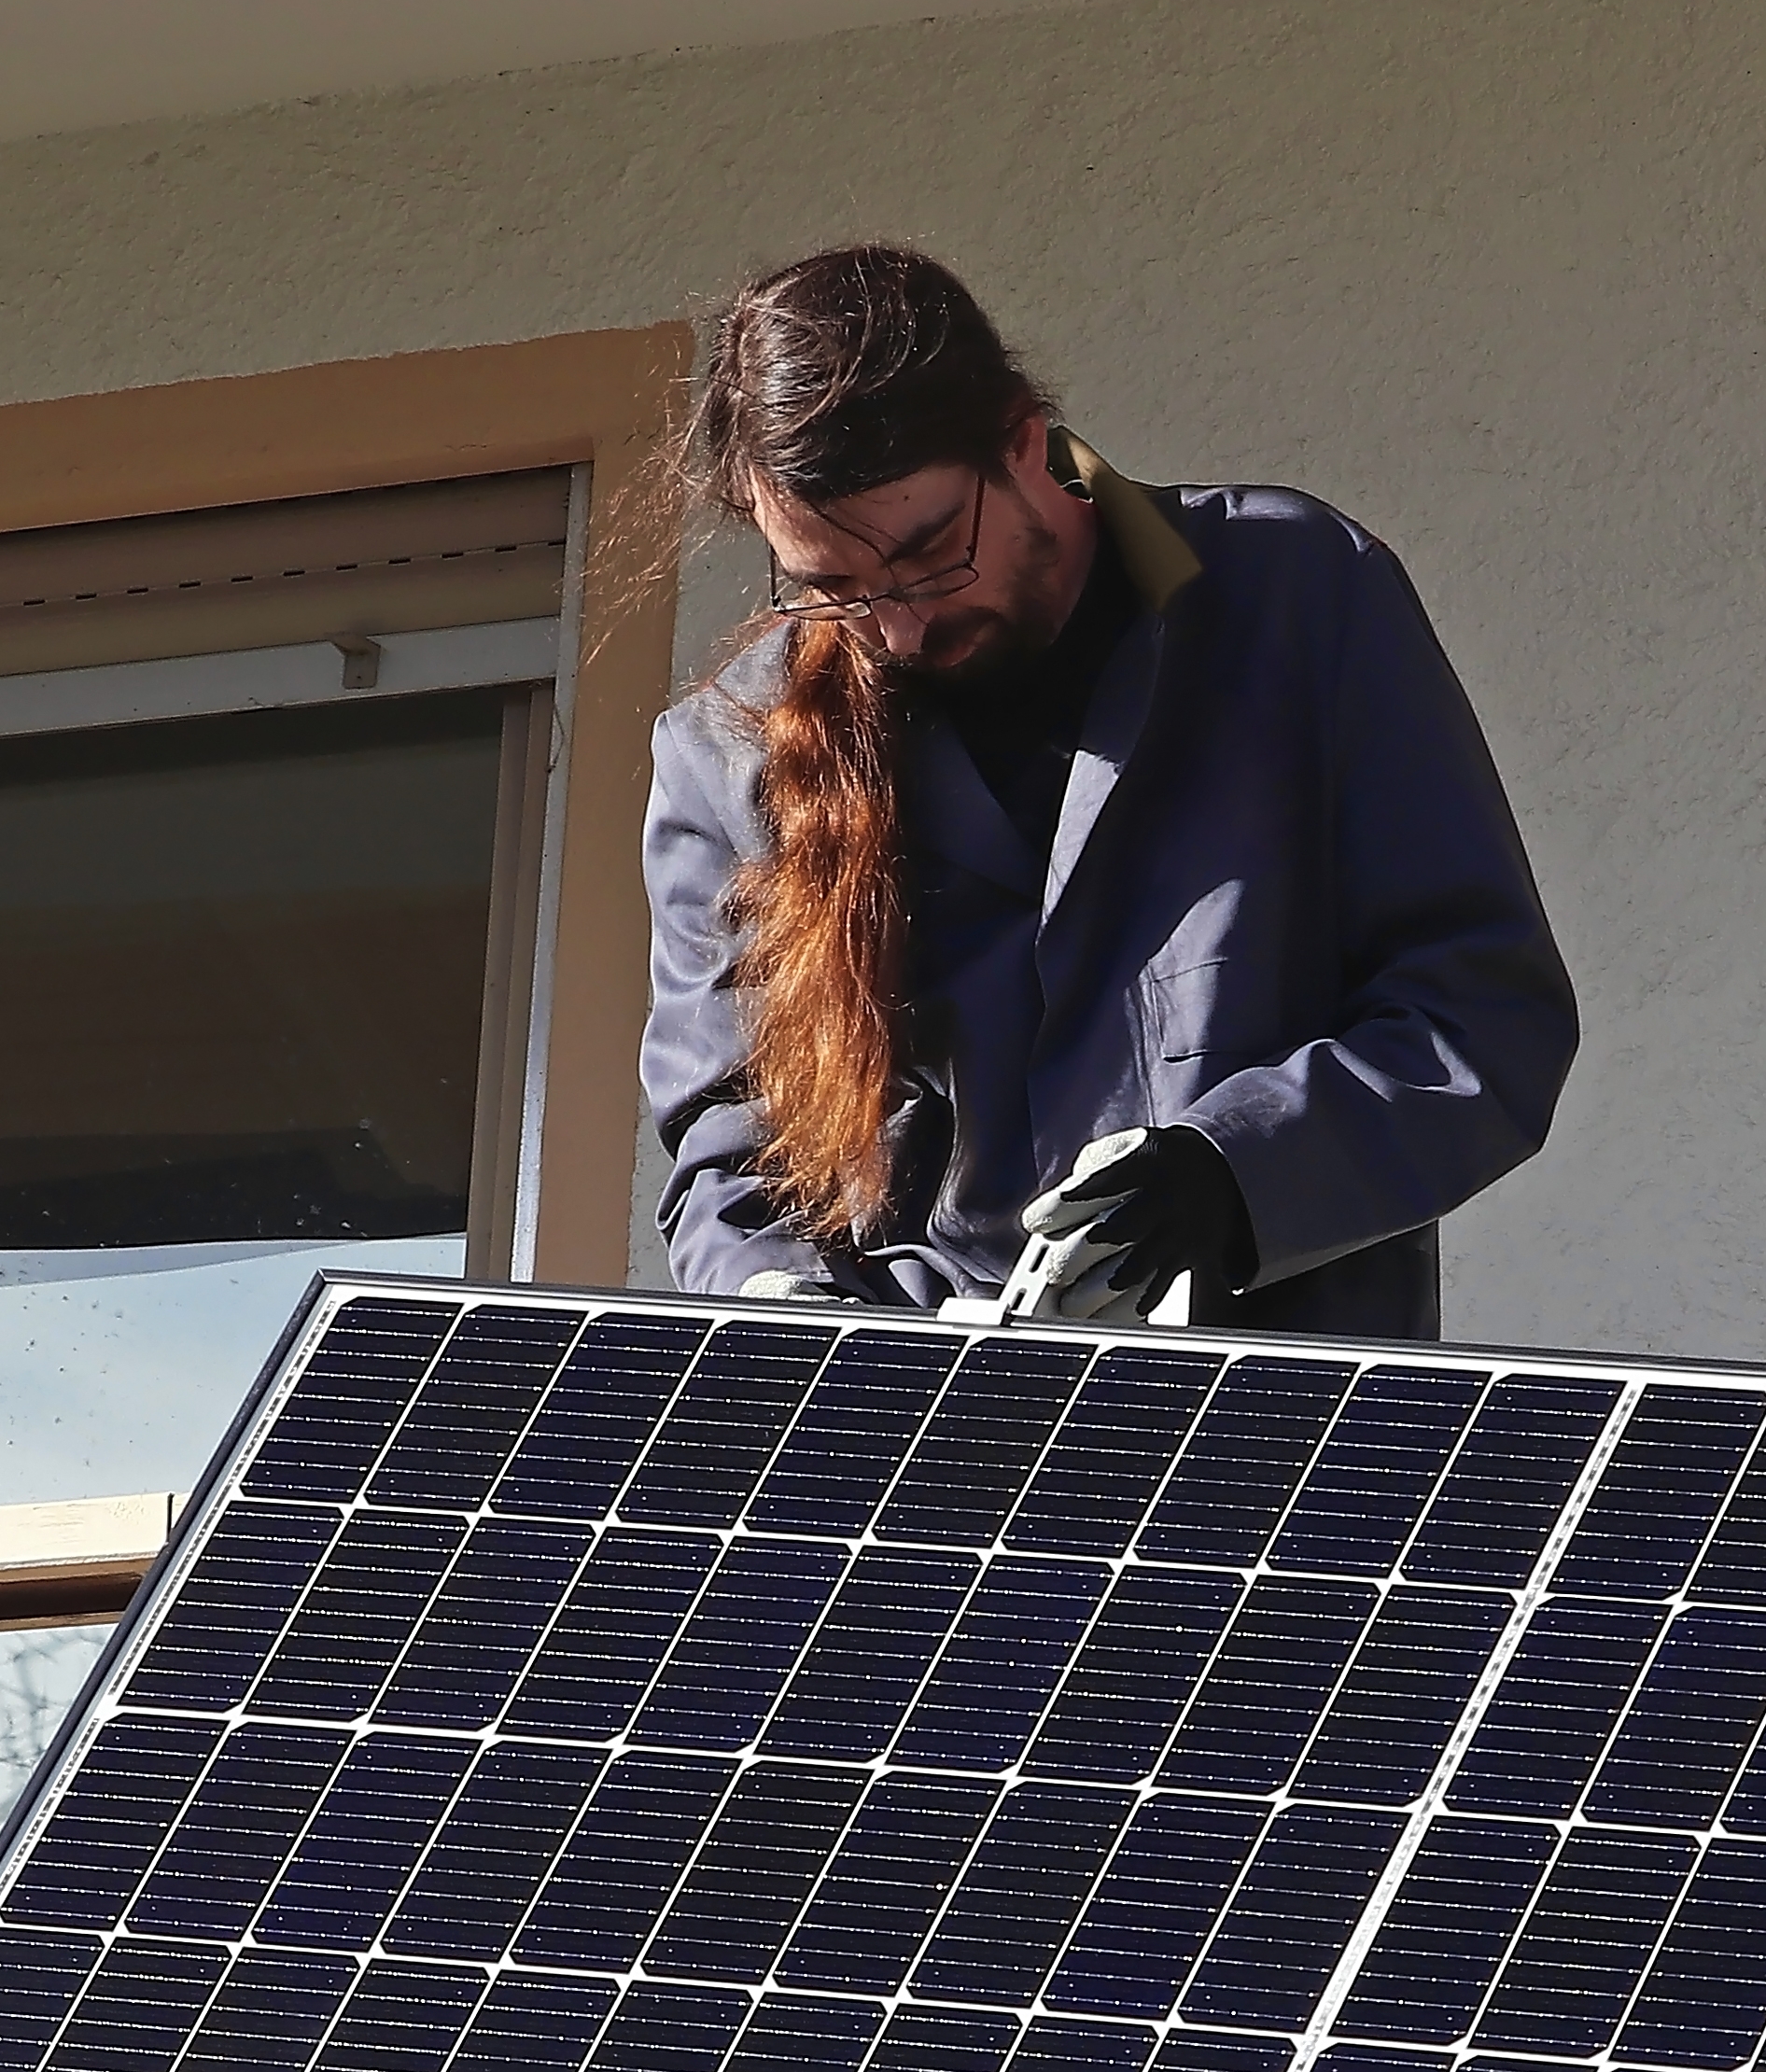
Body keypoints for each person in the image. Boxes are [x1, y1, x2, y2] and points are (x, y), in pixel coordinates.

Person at [638, 245, 1575, 1336]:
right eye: (832, 589)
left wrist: (1229, 1176)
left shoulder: (1297, 595)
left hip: (1269, 1451)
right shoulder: (726, 748)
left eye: (931, 556)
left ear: (1023, 442)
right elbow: (731, 1140)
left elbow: (1480, 1014)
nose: (897, 628)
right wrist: (775, 1299)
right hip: (910, 1457)